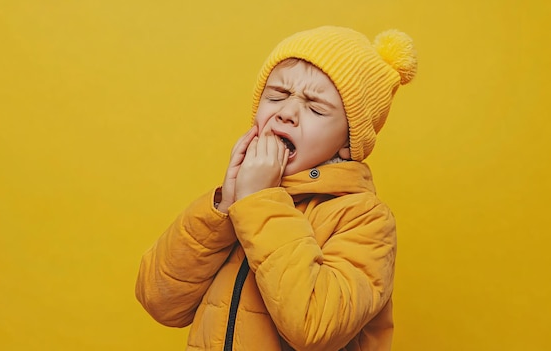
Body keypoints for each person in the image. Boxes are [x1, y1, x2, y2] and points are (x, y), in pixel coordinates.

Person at [136, 25, 417, 351]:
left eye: (315, 108)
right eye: (276, 96)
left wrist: (260, 200)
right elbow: (160, 302)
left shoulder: (365, 218)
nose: (286, 113)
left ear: (347, 142)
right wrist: (225, 207)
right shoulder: (239, 205)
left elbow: (314, 328)